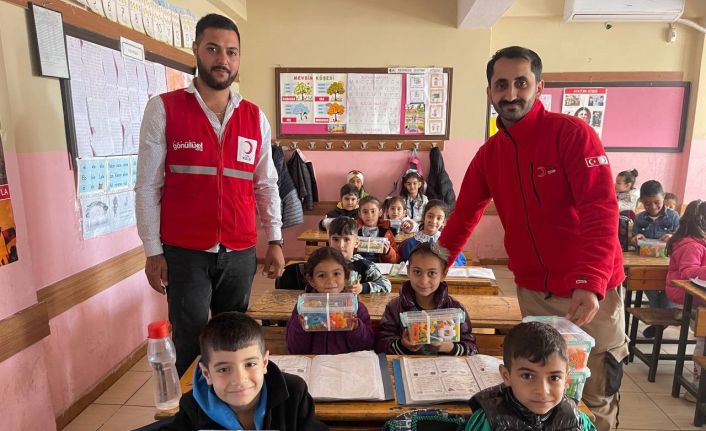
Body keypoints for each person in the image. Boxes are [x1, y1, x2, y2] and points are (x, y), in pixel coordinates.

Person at [438, 46, 626, 431]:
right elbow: (465, 214)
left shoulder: (571, 134)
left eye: (521, 83)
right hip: (534, 294)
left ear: (539, 86)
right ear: (489, 91)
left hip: (593, 293)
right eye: (501, 84)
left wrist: (591, 282)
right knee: (543, 394)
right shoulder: (490, 154)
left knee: (595, 395)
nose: (511, 94)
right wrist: (436, 261)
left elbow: (601, 210)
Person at [135, 14, 285, 376]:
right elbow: (147, 186)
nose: (223, 59)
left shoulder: (254, 117)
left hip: (239, 251)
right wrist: (153, 251)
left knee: (234, 339)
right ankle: (194, 416)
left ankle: (231, 412)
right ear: (197, 51)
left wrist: (276, 239)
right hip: (185, 252)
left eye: (232, 52)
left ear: (239, 58)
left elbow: (266, 184)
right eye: (213, 49)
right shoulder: (165, 108)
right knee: (189, 340)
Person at [161, 312, 328, 431]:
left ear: (264, 363)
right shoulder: (193, 407)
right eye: (224, 369)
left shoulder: (294, 393)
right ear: (207, 374)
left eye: (250, 364)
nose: (239, 379)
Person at [464, 321, 597, 431]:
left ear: (566, 378)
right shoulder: (488, 421)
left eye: (554, 378)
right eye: (528, 376)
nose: (543, 390)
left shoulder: (577, 421)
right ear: (506, 376)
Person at [376, 242, 477, 356]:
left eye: (432, 273)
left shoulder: (455, 309)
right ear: (409, 271)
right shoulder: (394, 307)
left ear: (443, 275)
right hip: (406, 368)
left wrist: (451, 348)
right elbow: (381, 345)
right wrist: (402, 345)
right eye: (417, 272)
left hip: (445, 370)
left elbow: (472, 348)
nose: (424, 281)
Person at [285, 247, 375, 354]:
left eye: (336, 274)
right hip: (315, 364)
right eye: (322, 275)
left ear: (346, 277)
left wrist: (356, 327)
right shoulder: (304, 308)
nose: (330, 281)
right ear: (312, 281)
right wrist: (300, 325)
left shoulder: (356, 308)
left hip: (346, 365)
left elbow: (366, 347)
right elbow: (295, 350)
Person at [664, 200, 706, 384]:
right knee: (704, 337)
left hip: (695, 294)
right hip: (685, 294)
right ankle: (698, 384)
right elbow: (688, 272)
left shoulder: (697, 242)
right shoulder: (692, 245)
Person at [328, 216, 391, 294]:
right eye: (336, 239)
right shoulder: (323, 263)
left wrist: (362, 288)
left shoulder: (364, 265)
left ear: (356, 242)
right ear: (329, 241)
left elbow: (386, 284)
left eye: (346, 239)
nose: (341, 245)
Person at [399, 200, 466, 266]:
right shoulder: (410, 244)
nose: (434, 221)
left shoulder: (449, 243)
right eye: (430, 216)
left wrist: (449, 265)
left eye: (439, 218)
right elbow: (403, 264)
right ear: (423, 217)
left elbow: (461, 261)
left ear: (444, 222)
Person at [632, 180, 680, 245]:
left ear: (663, 197)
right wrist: (635, 239)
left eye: (657, 202)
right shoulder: (639, 218)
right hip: (643, 254)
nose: (653, 207)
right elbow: (633, 239)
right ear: (641, 201)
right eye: (647, 203)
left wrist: (672, 237)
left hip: (666, 254)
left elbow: (681, 240)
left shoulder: (674, 217)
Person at [356, 195, 400, 263]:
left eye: (373, 211)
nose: (369, 215)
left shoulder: (387, 233)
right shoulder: (354, 232)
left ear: (380, 213)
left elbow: (396, 260)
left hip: (381, 270)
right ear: (360, 214)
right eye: (365, 212)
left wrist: (388, 252)